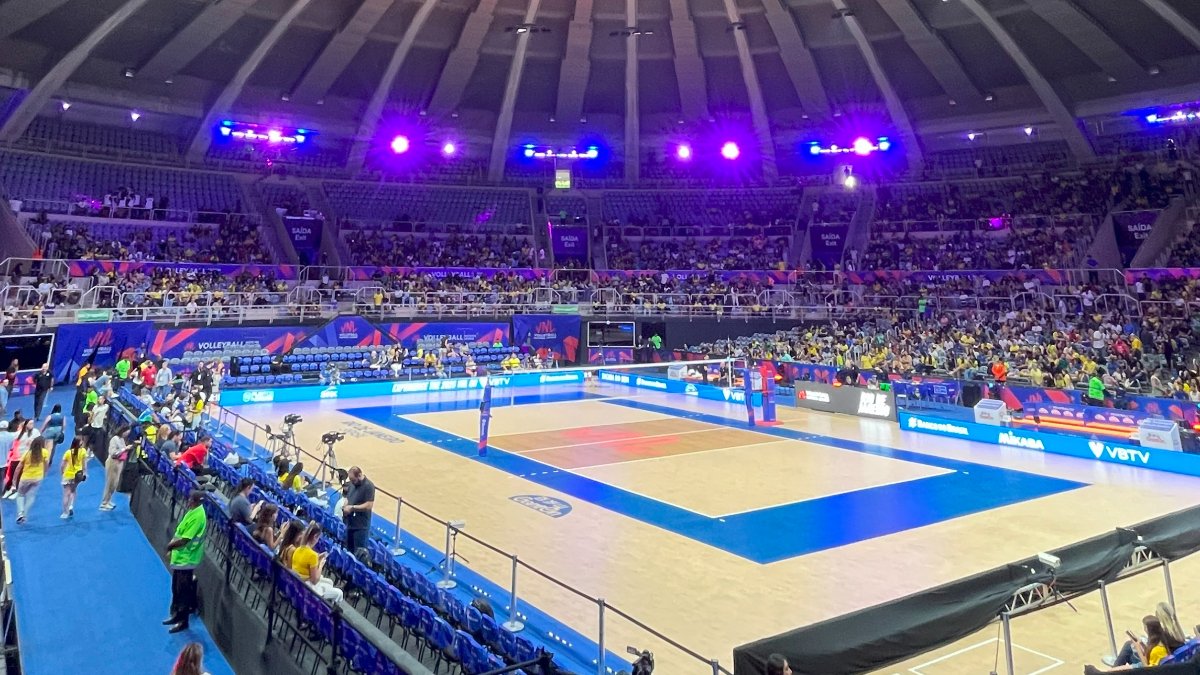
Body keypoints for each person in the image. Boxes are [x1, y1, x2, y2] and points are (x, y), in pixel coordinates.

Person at [164, 491, 207, 633]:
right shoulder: (192, 511)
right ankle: (176, 615)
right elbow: (180, 532)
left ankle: (183, 621)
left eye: (191, 499)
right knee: (176, 588)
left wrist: (170, 546)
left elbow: (185, 539)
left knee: (183, 591)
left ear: (196, 501)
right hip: (180, 557)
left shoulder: (198, 516)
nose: (188, 501)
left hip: (187, 559)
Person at [1086, 615, 1180, 673]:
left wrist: (1138, 648)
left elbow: (1147, 669)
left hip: (1144, 668)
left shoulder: (1157, 649)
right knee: (1127, 649)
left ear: (1149, 629)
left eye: (1145, 627)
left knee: (1113, 670)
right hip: (1149, 665)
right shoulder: (1160, 639)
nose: (1144, 629)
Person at [291, 521, 343, 603]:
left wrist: (318, 558)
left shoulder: (298, 549)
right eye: (318, 538)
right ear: (315, 537)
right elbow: (314, 580)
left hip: (299, 583)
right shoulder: (312, 555)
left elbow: (305, 562)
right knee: (339, 593)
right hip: (308, 587)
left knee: (330, 582)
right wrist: (321, 565)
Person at [14, 437, 50, 524]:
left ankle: (20, 513)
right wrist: (44, 473)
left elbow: (19, 467)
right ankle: (25, 515)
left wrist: (14, 479)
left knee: (20, 495)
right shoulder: (45, 452)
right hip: (38, 477)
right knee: (31, 496)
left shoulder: (27, 453)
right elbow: (46, 464)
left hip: (26, 478)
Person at [342, 466, 375, 554]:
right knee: (349, 550)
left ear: (359, 475)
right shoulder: (352, 484)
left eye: (353, 480)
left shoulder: (369, 486)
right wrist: (346, 504)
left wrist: (352, 507)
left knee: (359, 552)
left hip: (361, 526)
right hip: (350, 522)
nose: (352, 482)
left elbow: (369, 505)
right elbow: (348, 497)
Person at [4, 418, 39, 498]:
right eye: (30, 423)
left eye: (33, 423)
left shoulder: (35, 432)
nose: (32, 425)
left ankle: (18, 491)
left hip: (28, 457)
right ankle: (12, 488)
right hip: (18, 457)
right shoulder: (18, 433)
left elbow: (39, 442)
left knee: (22, 475)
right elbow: (9, 438)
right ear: (25, 425)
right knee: (13, 473)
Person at [99, 425, 131, 511]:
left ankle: (109, 500)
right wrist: (124, 449)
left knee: (115, 484)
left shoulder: (122, 439)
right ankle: (104, 503)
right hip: (113, 462)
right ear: (123, 431)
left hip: (119, 463)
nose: (127, 435)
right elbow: (112, 453)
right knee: (110, 483)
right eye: (126, 432)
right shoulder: (115, 439)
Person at [60, 435, 87, 518]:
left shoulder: (68, 452)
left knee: (66, 494)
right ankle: (71, 505)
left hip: (68, 475)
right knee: (73, 490)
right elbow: (84, 464)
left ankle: (65, 512)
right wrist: (85, 473)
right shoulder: (83, 451)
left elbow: (62, 465)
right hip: (77, 475)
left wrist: (62, 473)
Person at [87, 395, 109, 461]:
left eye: (101, 399)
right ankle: (89, 452)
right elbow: (92, 415)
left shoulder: (106, 406)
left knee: (96, 441)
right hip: (93, 426)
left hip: (99, 427)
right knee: (91, 440)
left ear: (104, 400)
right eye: (98, 399)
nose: (99, 400)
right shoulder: (95, 407)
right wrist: (89, 423)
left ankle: (91, 452)